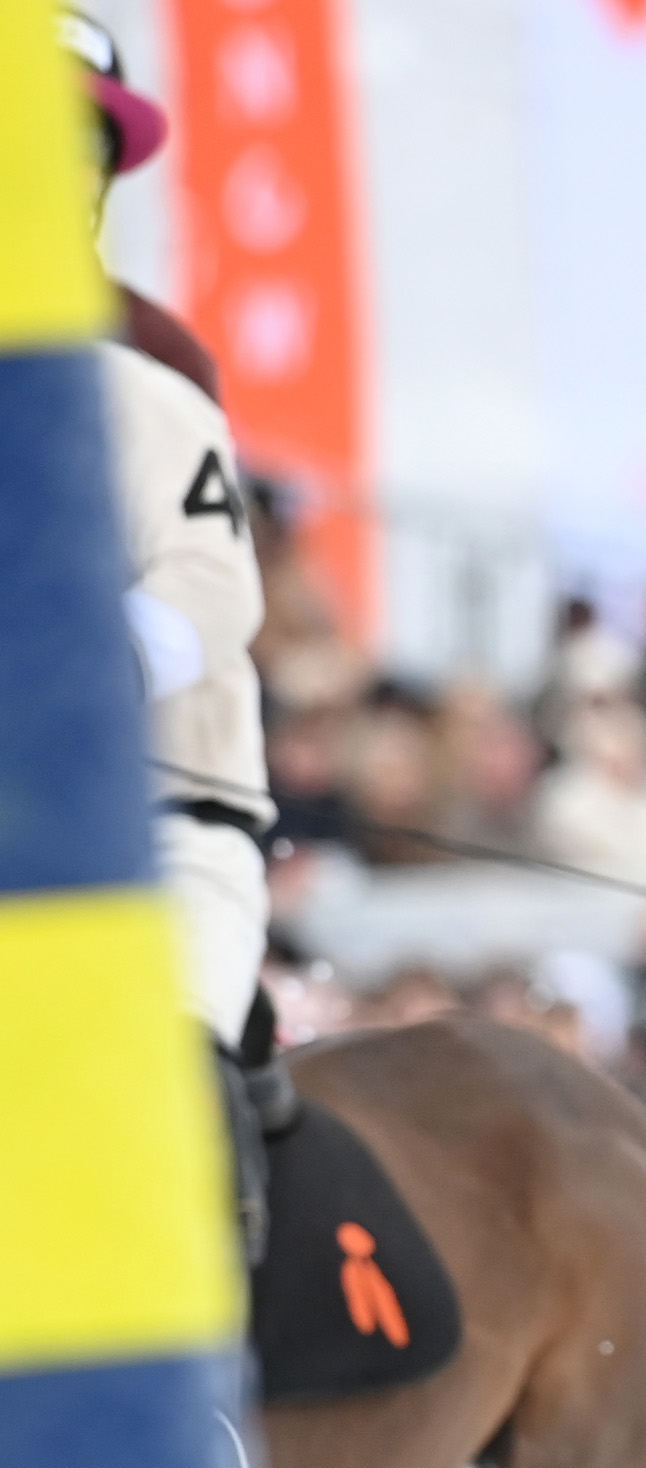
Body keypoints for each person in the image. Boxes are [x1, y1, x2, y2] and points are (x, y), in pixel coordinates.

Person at [73, 9, 279, 1255]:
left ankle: (214, 1358)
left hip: (165, 818)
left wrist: (71, 683)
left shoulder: (150, 367)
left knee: (181, 1085)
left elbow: (212, 585)